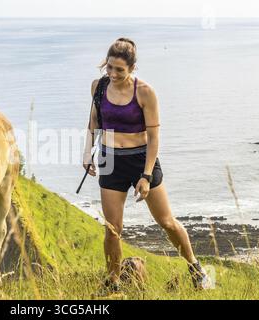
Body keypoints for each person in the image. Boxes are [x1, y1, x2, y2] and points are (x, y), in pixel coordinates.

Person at [83, 38, 210, 293]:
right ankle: (113, 282)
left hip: (142, 159)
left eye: (119, 69)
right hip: (110, 160)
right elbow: (93, 123)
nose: (113, 73)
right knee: (112, 229)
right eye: (109, 67)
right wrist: (87, 154)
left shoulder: (145, 92)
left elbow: (154, 138)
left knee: (166, 222)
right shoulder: (98, 87)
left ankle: (196, 269)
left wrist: (146, 175)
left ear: (132, 68)